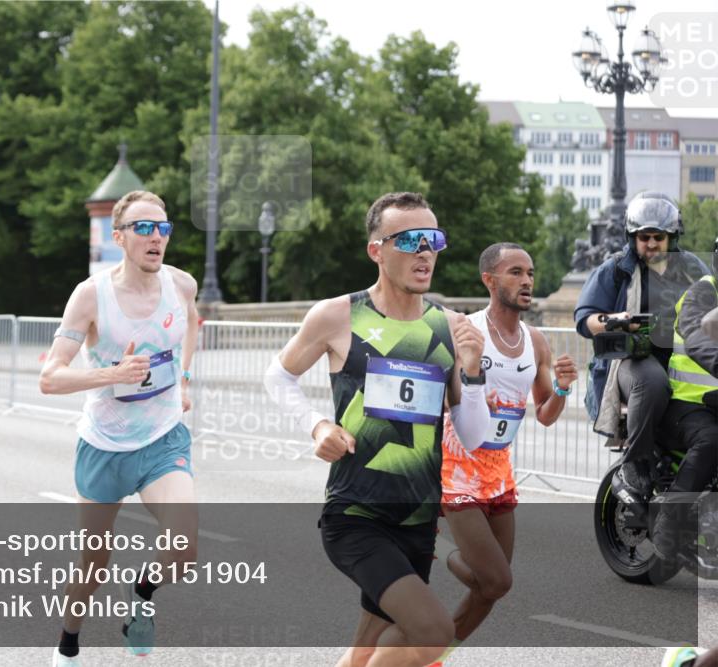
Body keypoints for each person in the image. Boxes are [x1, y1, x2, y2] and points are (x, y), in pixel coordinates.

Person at [264, 192, 491, 667]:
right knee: (433, 632)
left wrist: (472, 373)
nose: (424, 251)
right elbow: (278, 376)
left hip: (418, 517)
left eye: (432, 240)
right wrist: (317, 425)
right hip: (356, 513)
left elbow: (472, 437)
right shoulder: (338, 315)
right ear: (377, 250)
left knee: (365, 649)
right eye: (409, 240)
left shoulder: (451, 327)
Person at [39, 190, 200, 666]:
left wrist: (183, 378)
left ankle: (141, 594)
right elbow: (50, 377)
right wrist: (113, 374)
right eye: (143, 228)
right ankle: (68, 643)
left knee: (183, 547)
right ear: (119, 237)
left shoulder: (182, 285)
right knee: (93, 565)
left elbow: (192, 324)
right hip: (104, 447)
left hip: (161, 439)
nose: (156, 237)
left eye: (163, 228)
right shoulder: (91, 296)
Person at [437, 243, 578, 661]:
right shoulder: (466, 331)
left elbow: (546, 413)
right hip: (457, 469)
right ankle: (432, 546)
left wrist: (563, 389)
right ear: (489, 280)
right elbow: (437, 394)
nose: (527, 281)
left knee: (490, 590)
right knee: (496, 580)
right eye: (515, 272)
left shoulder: (536, 342)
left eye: (530, 273)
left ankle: (434, 655)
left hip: (499, 473)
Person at [573, 192, 709, 505]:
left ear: (672, 237)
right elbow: (584, 320)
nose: (651, 244)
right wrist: (615, 320)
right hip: (632, 358)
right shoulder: (615, 269)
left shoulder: (693, 268)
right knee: (652, 381)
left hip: (684, 363)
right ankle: (635, 463)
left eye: (658, 237)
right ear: (632, 238)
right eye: (644, 237)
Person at [652, 236, 718, 561]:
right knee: (711, 439)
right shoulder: (702, 293)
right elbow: (695, 337)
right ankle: (670, 520)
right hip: (686, 402)